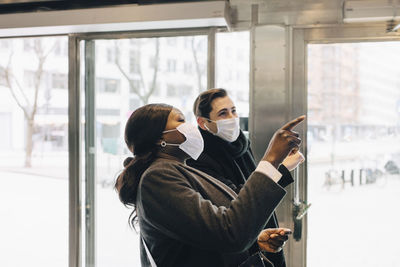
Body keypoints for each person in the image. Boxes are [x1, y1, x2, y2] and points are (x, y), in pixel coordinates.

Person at [116, 103, 305, 267]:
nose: (190, 127)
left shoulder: (181, 171)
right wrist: (270, 160)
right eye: (181, 121)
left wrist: (254, 242)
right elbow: (230, 233)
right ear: (159, 138)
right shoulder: (158, 177)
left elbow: (204, 233)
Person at [187, 88, 305, 267]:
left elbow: (255, 185)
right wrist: (282, 167)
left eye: (233, 111)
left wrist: (280, 163)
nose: (232, 118)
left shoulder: (241, 144)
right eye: (223, 114)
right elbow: (239, 202)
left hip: (264, 234)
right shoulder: (199, 158)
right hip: (240, 248)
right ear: (203, 123)